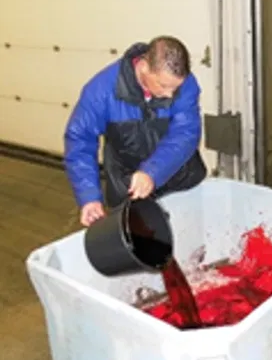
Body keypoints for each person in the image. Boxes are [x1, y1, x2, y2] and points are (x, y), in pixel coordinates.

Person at [64, 36, 207, 227]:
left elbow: (185, 133)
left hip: (180, 178)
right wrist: (89, 196)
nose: (170, 95)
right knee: (142, 246)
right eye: (163, 86)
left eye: (176, 88)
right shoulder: (101, 91)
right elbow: (80, 140)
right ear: (144, 67)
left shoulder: (186, 84)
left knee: (190, 241)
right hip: (129, 187)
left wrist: (152, 172)